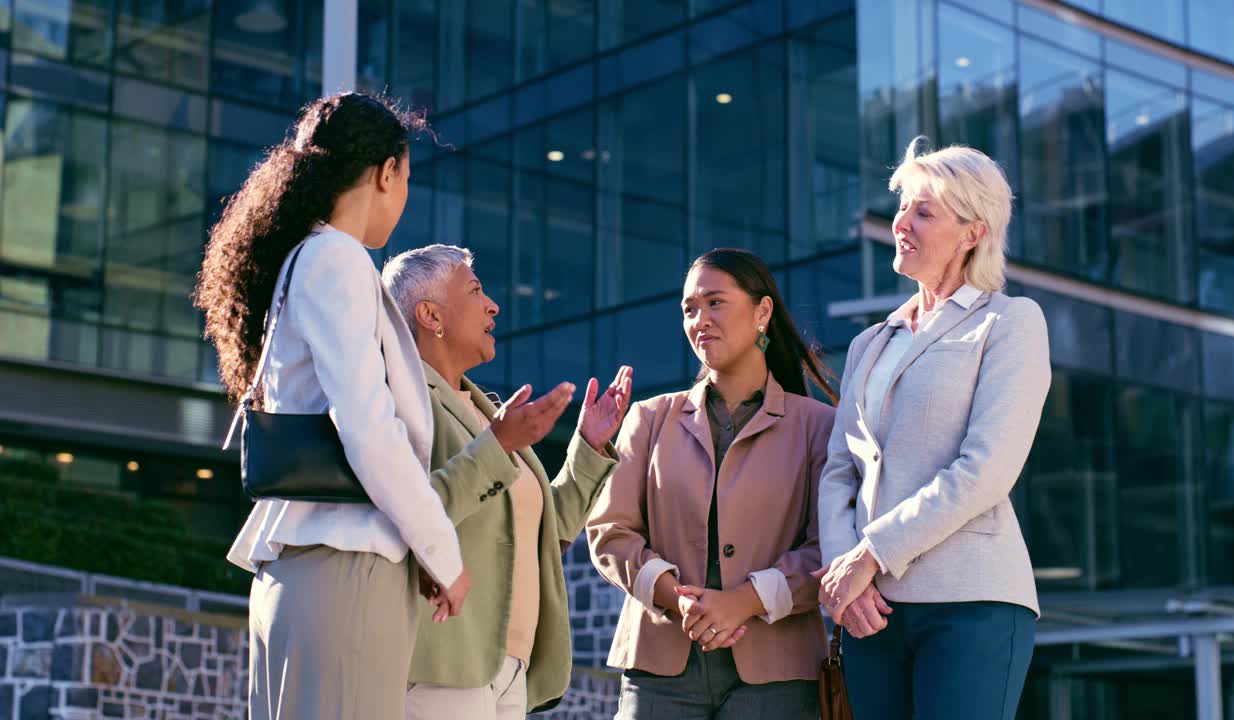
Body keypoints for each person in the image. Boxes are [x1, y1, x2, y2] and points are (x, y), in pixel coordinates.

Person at [194, 92, 468, 720]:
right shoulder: (338, 259)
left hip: (306, 568)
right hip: (344, 568)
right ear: (385, 172)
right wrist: (442, 554)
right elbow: (369, 428)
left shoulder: (305, 258)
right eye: (406, 179)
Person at [815, 137, 1051, 720]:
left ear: (973, 232)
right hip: (872, 611)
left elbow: (986, 471)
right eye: (902, 207)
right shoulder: (872, 342)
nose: (902, 223)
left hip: (971, 600)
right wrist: (848, 576)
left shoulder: (1009, 323)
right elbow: (839, 469)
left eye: (924, 211)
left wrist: (870, 554)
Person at [381, 245, 634, 719]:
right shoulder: (402, 399)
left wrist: (589, 446)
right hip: (442, 664)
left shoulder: (483, 410)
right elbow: (408, 513)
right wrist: (497, 445)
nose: (493, 305)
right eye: (475, 291)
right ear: (430, 314)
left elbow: (542, 531)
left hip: (510, 666)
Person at [587, 248, 838, 719]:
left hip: (778, 674)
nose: (699, 319)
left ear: (762, 312)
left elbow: (829, 548)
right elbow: (609, 533)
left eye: (715, 302)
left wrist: (743, 602)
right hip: (659, 669)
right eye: (689, 309)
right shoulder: (648, 418)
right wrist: (674, 598)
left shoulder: (819, 426)